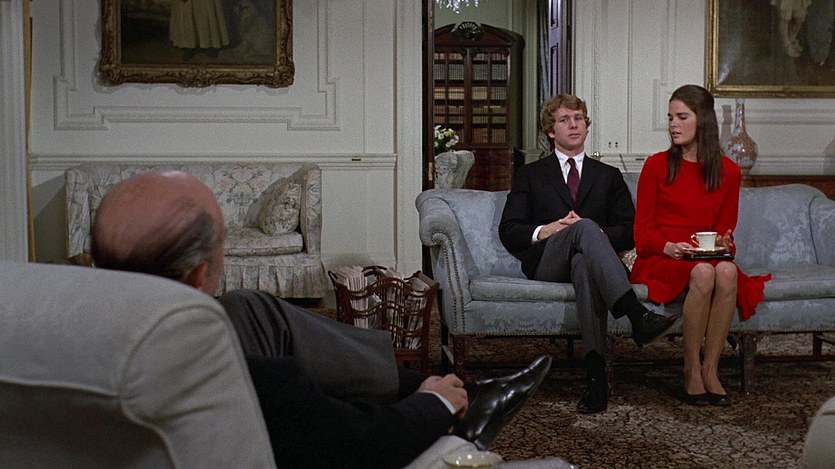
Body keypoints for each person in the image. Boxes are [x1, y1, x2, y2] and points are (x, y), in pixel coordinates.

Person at [90, 169, 552, 468]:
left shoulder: (73, 339)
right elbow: (359, 442)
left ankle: (431, 383)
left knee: (248, 309)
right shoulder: (253, 380)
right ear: (198, 274)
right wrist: (435, 405)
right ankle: (460, 397)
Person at [499, 94, 680, 414]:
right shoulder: (531, 174)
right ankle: (636, 314)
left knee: (584, 261)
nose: (573, 125)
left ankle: (596, 379)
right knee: (583, 228)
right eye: (564, 120)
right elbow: (509, 229)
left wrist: (592, 235)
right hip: (548, 261)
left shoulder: (608, 175)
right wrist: (549, 230)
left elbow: (628, 230)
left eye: (579, 118)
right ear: (551, 130)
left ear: (586, 125)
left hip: (594, 265)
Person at [630, 84, 772, 407]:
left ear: (703, 120)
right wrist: (668, 246)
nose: (673, 125)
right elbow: (642, 234)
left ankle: (711, 369)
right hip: (662, 257)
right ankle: (691, 368)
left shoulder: (728, 171)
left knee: (727, 272)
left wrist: (724, 241)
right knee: (705, 274)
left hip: (703, 256)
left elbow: (726, 231)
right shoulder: (656, 165)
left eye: (682, 117)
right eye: (670, 118)